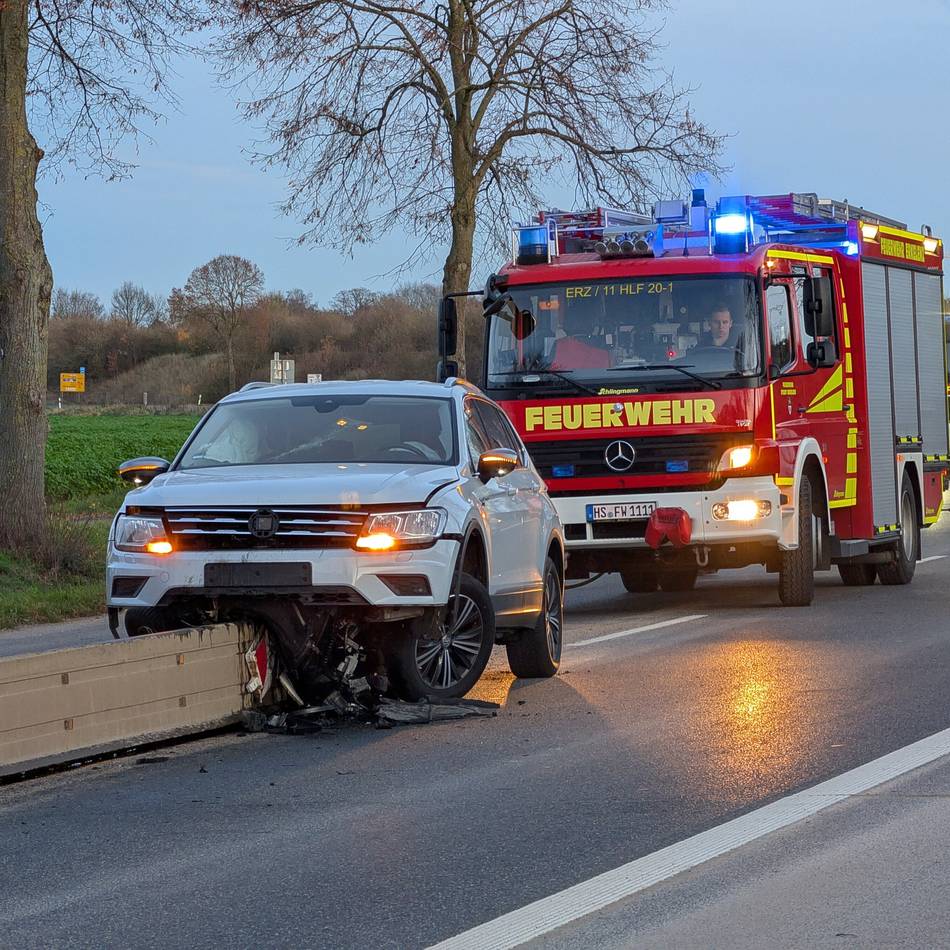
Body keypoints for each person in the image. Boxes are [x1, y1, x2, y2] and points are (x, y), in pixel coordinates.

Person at [551, 301, 611, 369]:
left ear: (567, 323)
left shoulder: (558, 345)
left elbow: (546, 372)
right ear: (591, 322)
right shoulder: (602, 349)